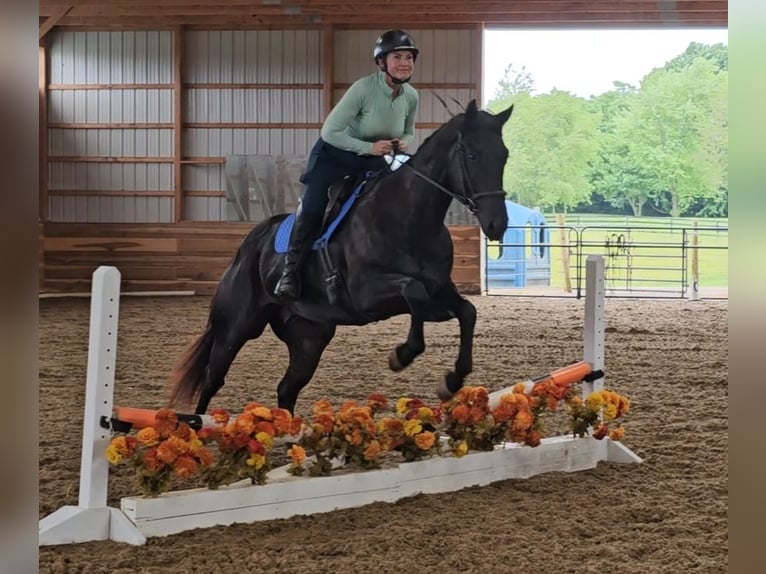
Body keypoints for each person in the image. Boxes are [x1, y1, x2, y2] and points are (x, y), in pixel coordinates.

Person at [273, 29, 420, 300]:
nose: (405, 63)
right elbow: (330, 132)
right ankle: (289, 273)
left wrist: (404, 141)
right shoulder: (363, 89)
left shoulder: (411, 96)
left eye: (409, 57)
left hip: (372, 159)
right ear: (381, 63)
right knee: (315, 205)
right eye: (397, 57)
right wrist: (369, 147)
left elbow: (410, 130)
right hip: (334, 155)